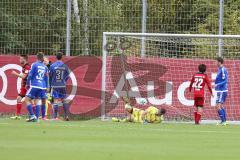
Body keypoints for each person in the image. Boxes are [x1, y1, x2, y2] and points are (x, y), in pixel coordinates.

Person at [25, 52, 49, 122]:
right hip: (42, 87)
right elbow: (46, 78)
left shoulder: (34, 64)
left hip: (35, 85)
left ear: (37, 57)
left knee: (27, 99)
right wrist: (47, 87)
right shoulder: (45, 67)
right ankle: (37, 118)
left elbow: (30, 75)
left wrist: (27, 83)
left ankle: (32, 116)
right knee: (38, 100)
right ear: (42, 58)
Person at [50, 52, 70, 121]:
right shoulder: (65, 66)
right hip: (62, 85)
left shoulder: (52, 66)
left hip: (55, 85)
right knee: (64, 100)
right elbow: (68, 76)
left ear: (56, 57)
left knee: (55, 100)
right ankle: (66, 115)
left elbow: (51, 76)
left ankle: (55, 117)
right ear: (62, 57)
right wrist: (64, 81)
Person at [10, 54, 31, 120]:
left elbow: (24, 76)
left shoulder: (27, 67)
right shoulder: (24, 67)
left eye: (21, 59)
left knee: (31, 100)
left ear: (24, 59)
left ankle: (33, 116)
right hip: (24, 86)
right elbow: (24, 75)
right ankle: (18, 115)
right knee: (19, 98)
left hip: (28, 86)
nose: (19, 60)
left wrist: (15, 73)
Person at [213, 57, 228, 125]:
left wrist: (217, 84)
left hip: (222, 90)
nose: (215, 63)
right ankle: (224, 121)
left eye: (216, 62)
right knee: (220, 106)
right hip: (220, 90)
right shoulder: (219, 69)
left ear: (219, 62)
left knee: (218, 106)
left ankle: (223, 121)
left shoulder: (223, 69)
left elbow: (225, 80)